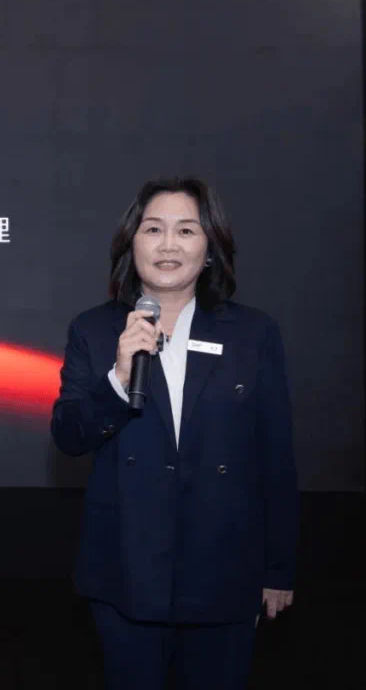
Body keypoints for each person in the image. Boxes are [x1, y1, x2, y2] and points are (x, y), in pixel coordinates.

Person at [50, 176, 299, 689]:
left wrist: (278, 569)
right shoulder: (93, 330)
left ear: (208, 249)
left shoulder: (253, 333)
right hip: (126, 569)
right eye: (153, 229)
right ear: (131, 244)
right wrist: (119, 378)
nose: (168, 245)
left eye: (186, 230)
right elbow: (69, 436)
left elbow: (275, 457)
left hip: (225, 568)